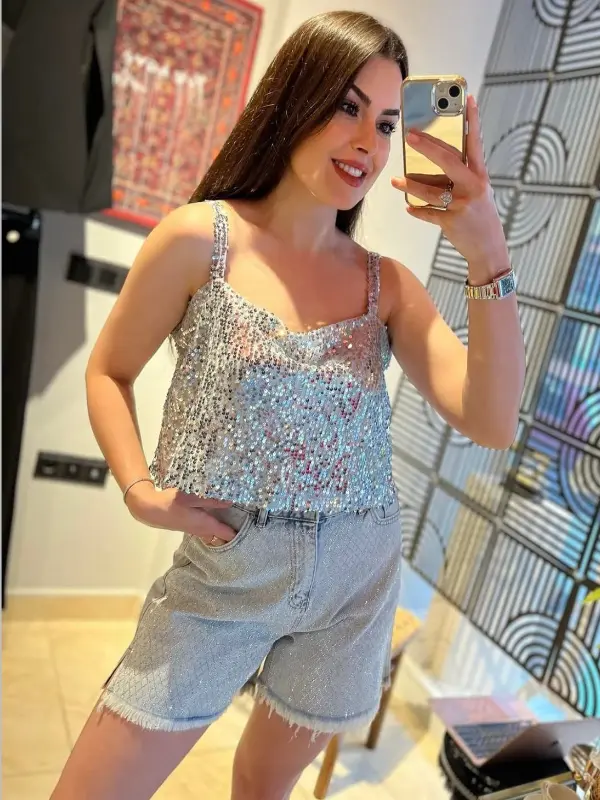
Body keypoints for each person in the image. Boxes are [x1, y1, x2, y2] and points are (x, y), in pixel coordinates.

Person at [51, 9, 525, 800]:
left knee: (262, 787)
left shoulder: (386, 287)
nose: (369, 142)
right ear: (292, 98)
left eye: (386, 122)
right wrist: (139, 491)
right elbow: (110, 370)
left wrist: (487, 250)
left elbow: (493, 422)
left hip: (356, 577)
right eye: (346, 107)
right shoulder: (199, 240)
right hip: (227, 571)